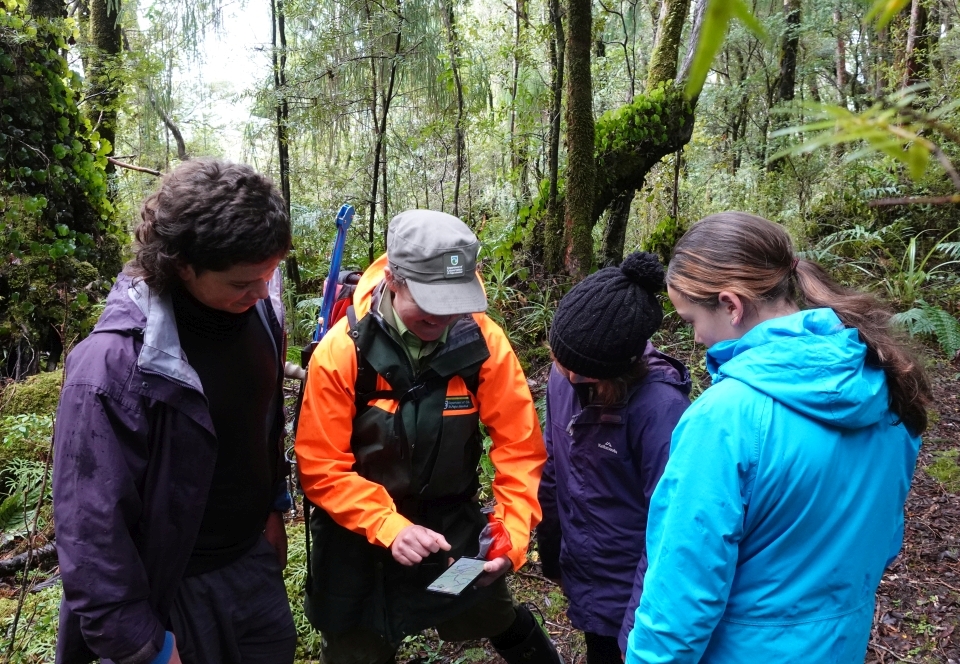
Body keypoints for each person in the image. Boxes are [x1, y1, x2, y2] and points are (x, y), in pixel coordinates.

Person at [625, 212, 931, 663]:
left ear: (731, 305)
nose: (695, 336)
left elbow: (683, 593)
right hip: (838, 644)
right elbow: (883, 540)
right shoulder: (886, 382)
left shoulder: (724, 418)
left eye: (691, 318)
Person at [53, 158, 297, 664]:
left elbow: (261, 423)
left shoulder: (264, 317)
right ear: (184, 264)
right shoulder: (113, 365)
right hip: (168, 590)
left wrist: (274, 506)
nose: (260, 293)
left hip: (251, 567)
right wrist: (143, 644)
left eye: (268, 275)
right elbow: (91, 526)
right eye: (241, 283)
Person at [294, 209, 562, 664]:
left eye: (455, 301)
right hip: (354, 533)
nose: (444, 316)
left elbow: (519, 449)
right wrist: (389, 526)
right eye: (431, 302)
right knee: (354, 646)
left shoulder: (484, 343)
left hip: (448, 521)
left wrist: (510, 537)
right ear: (394, 279)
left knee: (492, 611)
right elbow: (320, 467)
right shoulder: (343, 352)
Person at [538, 252, 691, 664]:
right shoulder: (566, 374)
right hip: (588, 573)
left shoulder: (660, 409)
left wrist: (636, 631)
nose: (569, 378)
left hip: (634, 590)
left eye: (584, 373)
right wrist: (550, 550)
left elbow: (671, 532)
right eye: (561, 361)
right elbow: (554, 463)